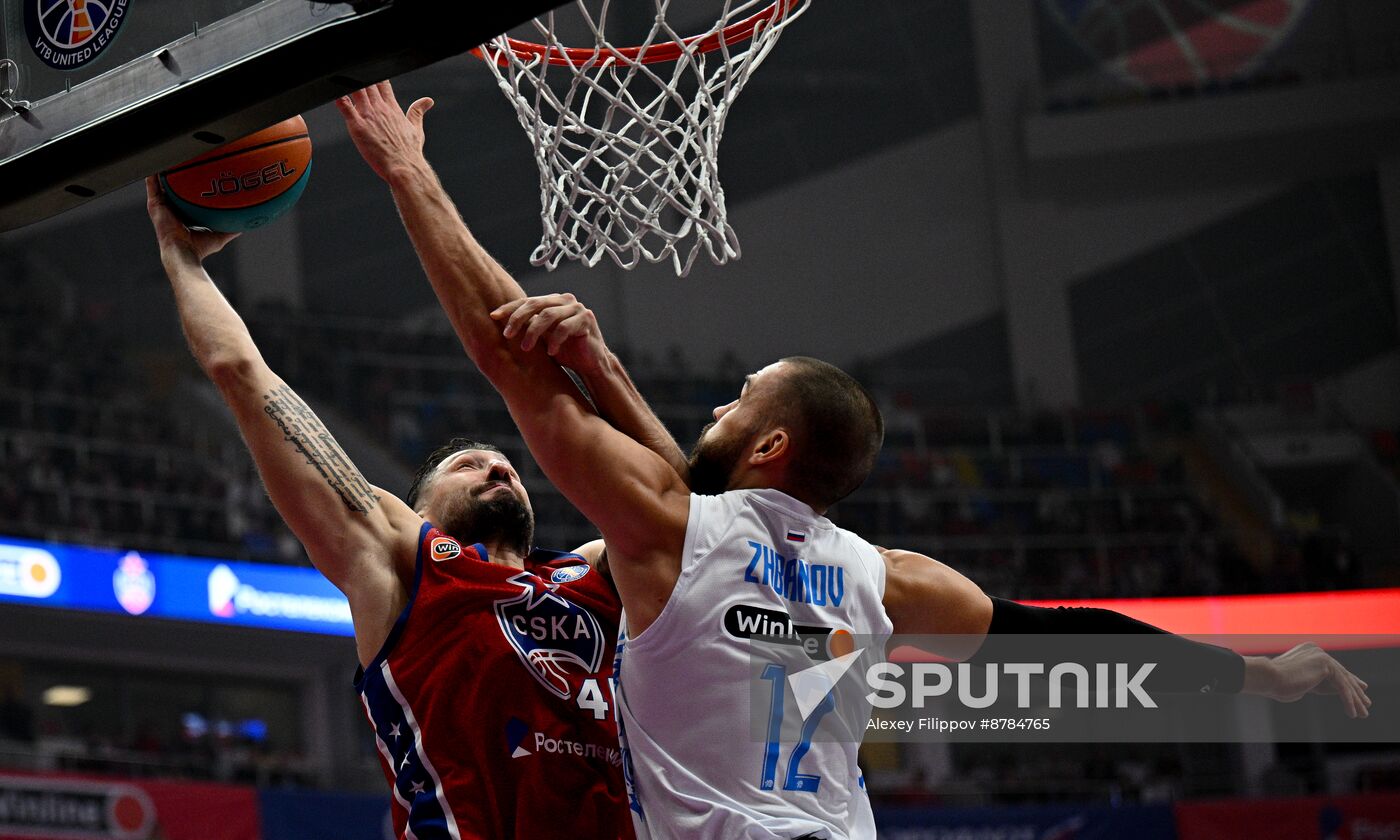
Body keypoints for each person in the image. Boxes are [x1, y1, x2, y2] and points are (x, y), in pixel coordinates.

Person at [341, 80, 1372, 840]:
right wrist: (1253, 674)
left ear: (770, 443)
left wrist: (406, 171)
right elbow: (1077, 642)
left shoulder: (670, 533)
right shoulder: (882, 578)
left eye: (741, 397)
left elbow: (502, 350)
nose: (718, 399)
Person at [144, 176, 665, 839]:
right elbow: (243, 376)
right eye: (465, 464)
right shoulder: (405, 564)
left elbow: (682, 511)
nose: (497, 463)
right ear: (419, 510)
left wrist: (600, 369)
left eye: (504, 463)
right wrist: (177, 254)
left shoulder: (596, 574)